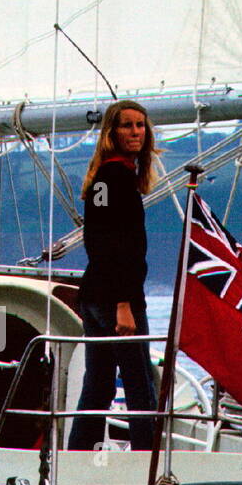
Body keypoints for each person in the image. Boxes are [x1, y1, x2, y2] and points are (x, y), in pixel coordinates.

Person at [68, 100, 161, 451]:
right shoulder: (116, 177)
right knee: (139, 383)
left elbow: (99, 238)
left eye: (140, 125)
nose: (136, 132)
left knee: (100, 384)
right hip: (116, 299)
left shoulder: (104, 178)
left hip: (95, 295)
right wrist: (124, 303)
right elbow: (113, 246)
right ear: (112, 132)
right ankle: (147, 464)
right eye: (127, 126)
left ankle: (76, 455)